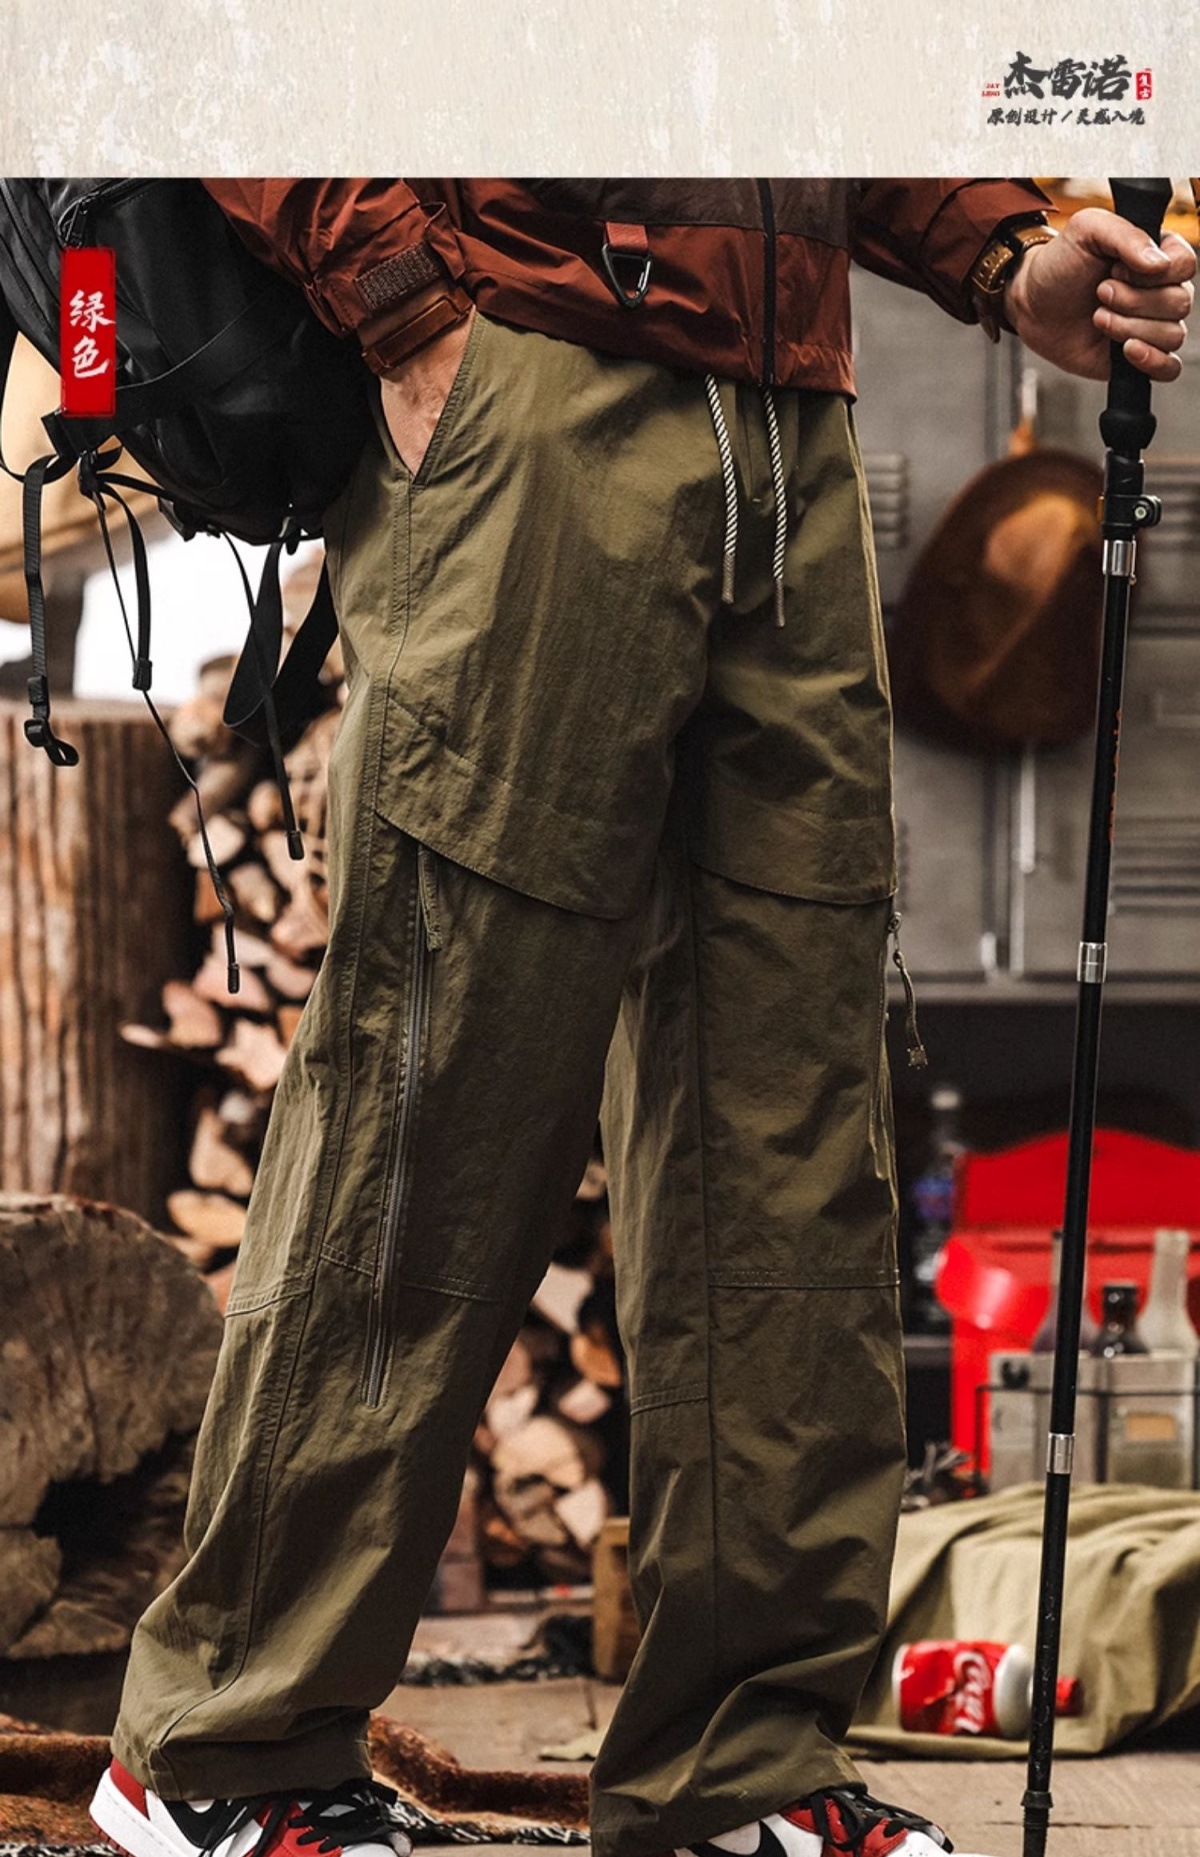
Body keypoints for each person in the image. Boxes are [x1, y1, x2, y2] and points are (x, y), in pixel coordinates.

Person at [90, 181, 1194, 1857]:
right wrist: (401, 292)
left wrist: (995, 250)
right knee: (434, 1094)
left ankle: (740, 1768)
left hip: (790, 428)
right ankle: (223, 1749)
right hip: (537, 377)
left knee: (789, 1128)